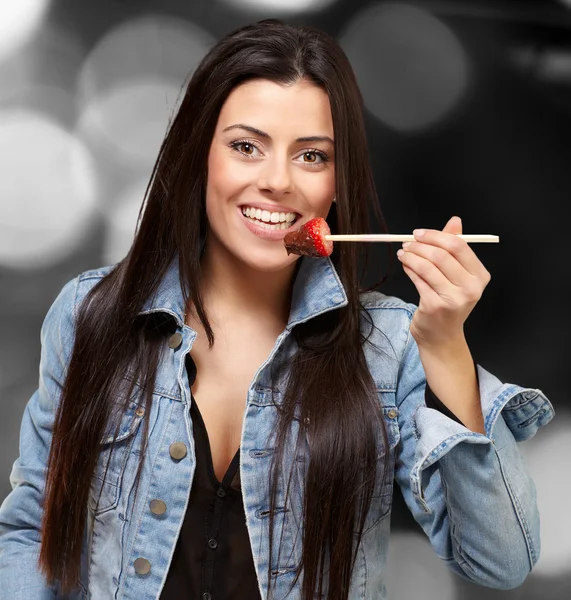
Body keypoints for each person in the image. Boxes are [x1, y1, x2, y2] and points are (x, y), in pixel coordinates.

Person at [0, 18, 554, 600]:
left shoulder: (388, 345)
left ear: (337, 183)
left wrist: (445, 345)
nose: (276, 181)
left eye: (311, 157)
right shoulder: (91, 316)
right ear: (198, 157)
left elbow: (501, 560)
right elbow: (33, 530)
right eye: (246, 147)